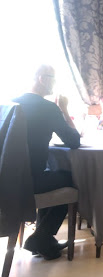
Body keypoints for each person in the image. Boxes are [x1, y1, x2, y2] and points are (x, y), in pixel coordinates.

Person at [13, 64, 80, 260]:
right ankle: (42, 237)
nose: (54, 83)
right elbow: (74, 141)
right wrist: (64, 109)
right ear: (42, 79)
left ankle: (43, 239)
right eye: (53, 79)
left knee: (50, 174)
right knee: (72, 179)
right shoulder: (48, 108)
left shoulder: (10, 104)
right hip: (31, 182)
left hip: (8, 179)